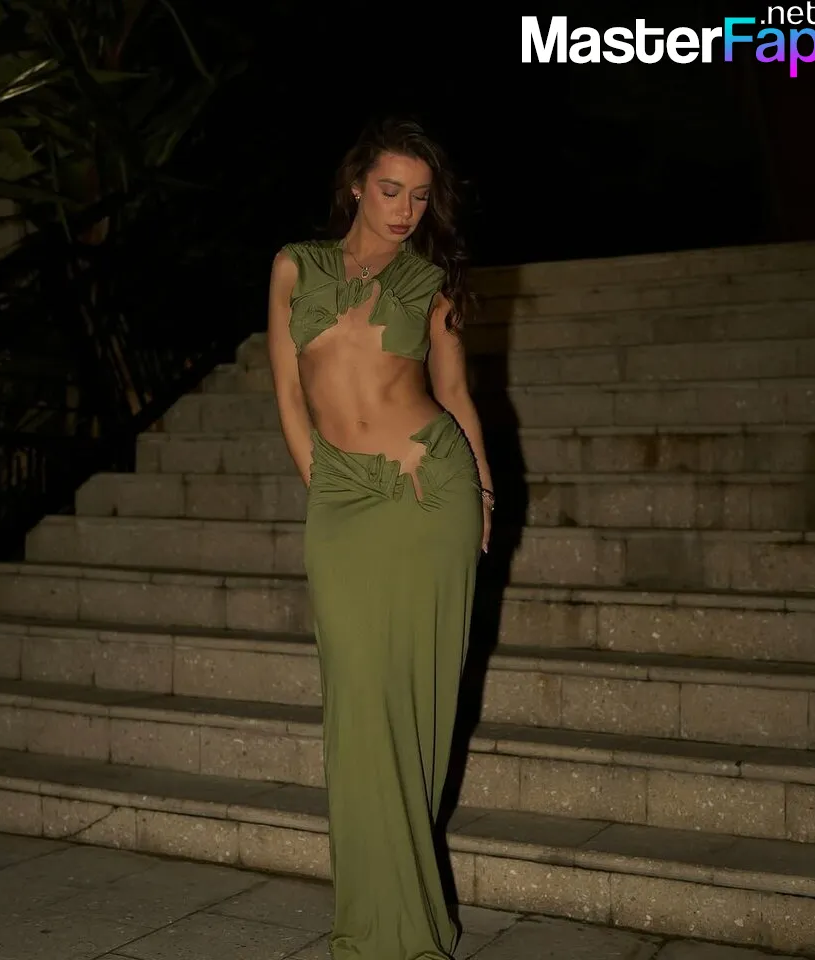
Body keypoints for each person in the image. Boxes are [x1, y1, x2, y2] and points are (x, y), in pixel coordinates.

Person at [267, 116, 494, 960]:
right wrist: (324, 484)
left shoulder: (431, 280)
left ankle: (405, 922)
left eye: (421, 197)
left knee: (421, 700)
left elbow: (457, 395)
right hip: (344, 500)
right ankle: (383, 918)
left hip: (430, 492)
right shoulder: (296, 265)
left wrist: (485, 495)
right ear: (358, 185)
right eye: (391, 190)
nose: (405, 210)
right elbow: (289, 393)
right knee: (359, 702)